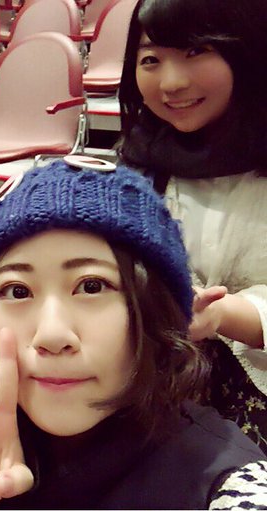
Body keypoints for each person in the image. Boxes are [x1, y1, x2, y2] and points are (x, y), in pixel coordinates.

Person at [0, 159, 267, 510]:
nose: (52, 335)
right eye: (17, 290)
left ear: (154, 309)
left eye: (92, 286)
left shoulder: (222, 483)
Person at [118, 0, 267, 451]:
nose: (171, 83)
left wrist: (223, 315)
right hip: (160, 388)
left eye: (196, 51)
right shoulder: (140, 157)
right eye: (151, 59)